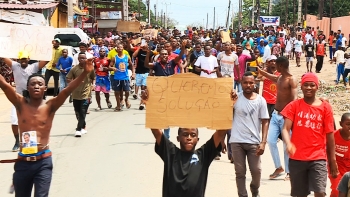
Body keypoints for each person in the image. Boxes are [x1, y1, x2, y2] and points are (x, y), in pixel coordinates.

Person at [0, 56, 94, 197]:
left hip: (43, 162)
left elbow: (67, 90)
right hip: (23, 162)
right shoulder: (20, 103)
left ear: (45, 88)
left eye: (40, 84)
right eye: (33, 84)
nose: (36, 86)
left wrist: (85, 73)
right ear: (27, 87)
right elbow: (5, 86)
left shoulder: (50, 106)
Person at [141, 90, 236, 197]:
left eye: (193, 135)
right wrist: (149, 104)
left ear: (198, 139)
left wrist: (230, 106)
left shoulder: (203, 155)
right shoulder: (170, 152)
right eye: (185, 134)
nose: (189, 138)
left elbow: (221, 132)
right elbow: (156, 131)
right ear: (178, 138)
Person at [281, 73, 338, 197]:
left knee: (320, 192)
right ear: (301, 87)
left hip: (318, 157)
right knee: (300, 194)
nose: (309, 88)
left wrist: (332, 160)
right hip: (297, 158)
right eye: (306, 85)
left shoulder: (325, 107)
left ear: (317, 87)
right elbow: (285, 128)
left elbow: (330, 134)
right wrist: (288, 143)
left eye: (312, 85)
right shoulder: (294, 105)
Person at [229, 72, 269, 197]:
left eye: (251, 82)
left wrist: (263, 142)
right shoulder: (235, 98)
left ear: (255, 83)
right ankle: (243, 195)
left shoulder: (260, 100)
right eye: (245, 82)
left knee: (256, 171)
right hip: (236, 141)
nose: (248, 85)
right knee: (240, 173)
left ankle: (254, 188)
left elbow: (265, 121)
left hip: (254, 142)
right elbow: (226, 117)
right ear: (241, 83)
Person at [258, 56, 298, 181]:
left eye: (276, 64)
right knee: (270, 141)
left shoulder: (292, 80)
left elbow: (294, 100)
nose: (275, 66)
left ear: (281, 66)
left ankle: (289, 171)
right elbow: (272, 77)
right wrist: (261, 71)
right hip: (275, 114)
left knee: (286, 145)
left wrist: (289, 116)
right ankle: (278, 167)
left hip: (286, 117)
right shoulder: (280, 77)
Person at [1, 51, 48, 151]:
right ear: (18, 59)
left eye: (25, 59)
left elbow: (46, 60)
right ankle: (17, 142)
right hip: (17, 98)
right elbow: (4, 57)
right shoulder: (15, 66)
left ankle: (30, 143)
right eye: (21, 59)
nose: (23, 61)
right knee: (14, 121)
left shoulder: (33, 67)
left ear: (28, 59)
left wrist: (50, 48)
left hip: (30, 99)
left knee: (31, 121)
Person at [144, 41, 187, 139]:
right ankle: (163, 133)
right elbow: (146, 64)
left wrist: (183, 47)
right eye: (162, 54)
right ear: (159, 56)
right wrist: (147, 53)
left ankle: (167, 133)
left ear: (168, 55)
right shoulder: (156, 65)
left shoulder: (172, 63)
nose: (164, 56)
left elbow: (180, 57)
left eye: (166, 54)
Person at [66, 52, 96, 137]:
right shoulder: (74, 69)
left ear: (86, 59)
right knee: (78, 112)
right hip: (75, 94)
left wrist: (93, 85)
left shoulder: (90, 68)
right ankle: (83, 126)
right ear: (78, 59)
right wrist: (73, 83)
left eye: (83, 58)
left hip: (86, 93)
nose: (82, 59)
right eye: (80, 58)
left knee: (83, 111)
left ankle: (78, 129)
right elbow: (68, 78)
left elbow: (93, 77)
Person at [328, 113, 350, 197]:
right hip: (336, 167)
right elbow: (328, 150)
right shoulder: (333, 136)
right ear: (341, 124)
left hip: (348, 169)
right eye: (348, 124)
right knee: (337, 189)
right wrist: (331, 164)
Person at [110, 44, 135, 111]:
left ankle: (126, 99)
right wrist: (112, 68)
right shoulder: (114, 57)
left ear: (123, 48)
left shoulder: (127, 57)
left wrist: (133, 73)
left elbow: (132, 65)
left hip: (125, 77)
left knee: (127, 91)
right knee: (117, 92)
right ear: (116, 49)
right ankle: (118, 105)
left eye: (120, 47)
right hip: (117, 77)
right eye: (118, 47)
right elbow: (110, 66)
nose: (119, 48)